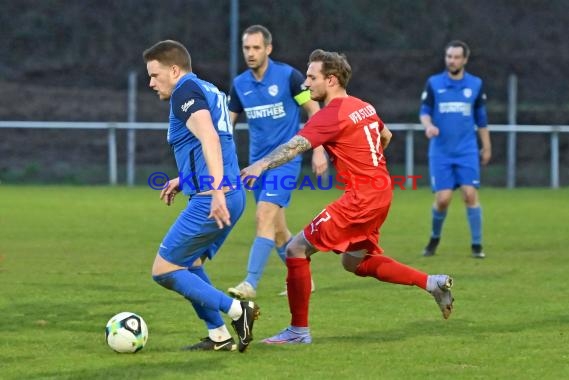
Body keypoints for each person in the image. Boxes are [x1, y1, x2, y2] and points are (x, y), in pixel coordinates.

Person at [240, 49, 454, 344]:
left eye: (312, 78)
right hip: (382, 191)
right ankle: (432, 283)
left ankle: (298, 331)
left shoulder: (331, 114)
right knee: (355, 263)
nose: (305, 84)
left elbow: (294, 147)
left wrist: (261, 164)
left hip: (362, 197)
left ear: (331, 79)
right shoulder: (362, 105)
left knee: (295, 249)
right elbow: (386, 136)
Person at [143, 40, 259, 352]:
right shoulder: (206, 88)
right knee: (189, 263)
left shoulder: (184, 91)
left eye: (155, 75)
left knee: (164, 270)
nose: (151, 82)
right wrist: (185, 178)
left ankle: (238, 311)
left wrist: (215, 191)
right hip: (228, 193)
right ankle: (219, 336)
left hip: (213, 197)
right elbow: (216, 142)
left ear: (174, 70)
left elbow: (208, 136)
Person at [227, 25, 327, 299]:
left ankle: (250, 283)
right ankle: (304, 280)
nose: (251, 53)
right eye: (247, 48)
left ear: (268, 49)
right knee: (279, 231)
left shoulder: (290, 77)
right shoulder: (240, 85)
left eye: (256, 47)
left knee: (264, 216)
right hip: (256, 166)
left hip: (285, 162)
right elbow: (227, 125)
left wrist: (318, 150)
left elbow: (313, 111)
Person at [419, 40, 491, 259]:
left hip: (467, 150)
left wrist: (486, 146)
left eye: (457, 57)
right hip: (441, 151)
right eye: (449, 56)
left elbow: (481, 119)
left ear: (465, 59)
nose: (452, 60)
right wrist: (429, 126)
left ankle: (477, 246)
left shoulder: (475, 84)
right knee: (443, 199)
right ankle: (434, 239)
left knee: (470, 194)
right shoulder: (434, 83)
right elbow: (424, 111)